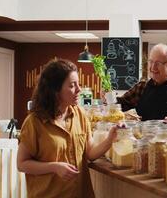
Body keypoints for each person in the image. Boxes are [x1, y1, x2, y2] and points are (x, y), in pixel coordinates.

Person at [17, 58, 118, 198]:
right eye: (72, 85)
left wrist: (110, 139)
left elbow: (90, 153)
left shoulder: (80, 114)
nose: (79, 89)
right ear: (55, 90)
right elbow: (22, 164)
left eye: (78, 83)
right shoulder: (34, 122)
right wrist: (54, 167)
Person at [117, 43, 167, 121]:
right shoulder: (141, 87)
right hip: (143, 133)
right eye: (151, 61)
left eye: (158, 63)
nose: (153, 67)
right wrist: (106, 98)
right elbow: (118, 105)